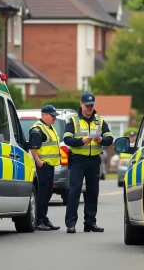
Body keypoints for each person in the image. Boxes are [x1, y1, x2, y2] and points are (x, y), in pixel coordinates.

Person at [63, 92, 113, 233]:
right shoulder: (73, 120)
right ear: (81, 104)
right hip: (78, 159)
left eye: (92, 105)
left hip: (94, 160)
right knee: (75, 190)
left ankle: (90, 223)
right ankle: (71, 223)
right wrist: (81, 141)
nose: (90, 108)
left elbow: (109, 138)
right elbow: (67, 139)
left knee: (92, 192)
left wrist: (101, 140)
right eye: (87, 105)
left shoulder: (100, 120)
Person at [29, 105, 61, 231]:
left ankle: (43, 217)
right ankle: (39, 220)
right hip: (43, 166)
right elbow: (33, 146)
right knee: (42, 194)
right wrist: (39, 161)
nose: (54, 118)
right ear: (44, 115)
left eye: (55, 116)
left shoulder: (49, 128)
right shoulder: (38, 129)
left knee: (48, 193)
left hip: (50, 165)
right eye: (52, 116)